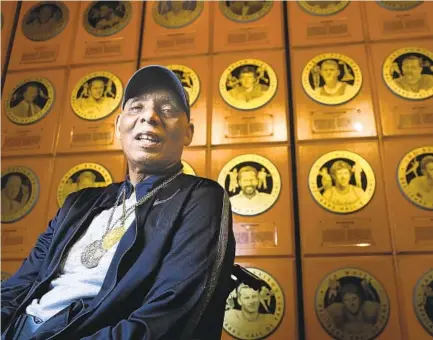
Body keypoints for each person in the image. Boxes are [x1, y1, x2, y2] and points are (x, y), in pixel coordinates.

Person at [1, 65, 236, 340]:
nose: (150, 116)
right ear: (118, 126)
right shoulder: (79, 203)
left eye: (168, 109)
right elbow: (21, 283)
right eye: (136, 107)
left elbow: (168, 317)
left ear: (188, 133)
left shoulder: (199, 199)